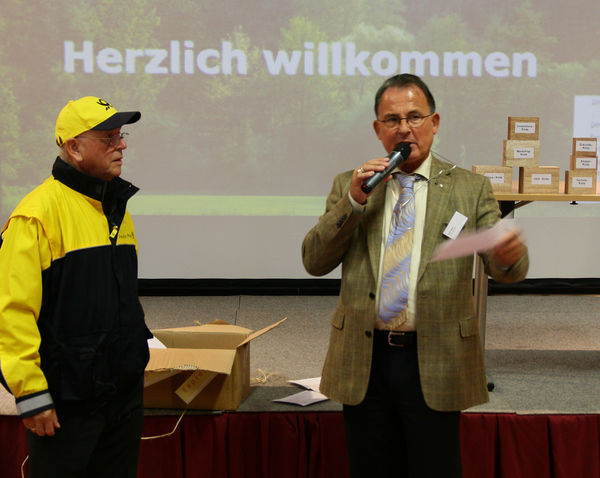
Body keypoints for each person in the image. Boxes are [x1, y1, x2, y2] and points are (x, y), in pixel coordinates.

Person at [302, 74, 529, 478]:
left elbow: (504, 268)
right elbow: (314, 261)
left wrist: (508, 255)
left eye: (414, 116)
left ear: (435, 122)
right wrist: (353, 202)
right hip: (364, 357)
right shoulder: (351, 185)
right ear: (377, 129)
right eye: (391, 119)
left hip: (435, 356)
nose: (404, 128)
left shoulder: (469, 188)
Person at [0, 96, 152, 478]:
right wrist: (31, 395)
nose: (122, 145)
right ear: (74, 148)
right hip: (67, 403)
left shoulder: (114, 205)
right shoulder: (35, 216)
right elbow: (12, 313)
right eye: (109, 137)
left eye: (121, 135)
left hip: (122, 396)